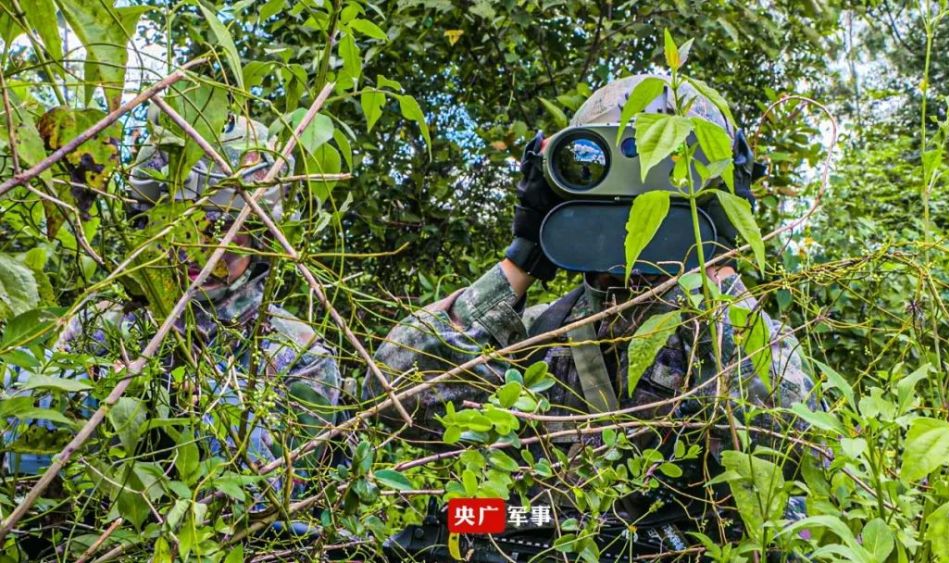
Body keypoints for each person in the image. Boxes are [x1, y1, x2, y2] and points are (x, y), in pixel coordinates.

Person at [366, 75, 818, 560]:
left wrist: (717, 267)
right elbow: (389, 400)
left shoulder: (734, 341)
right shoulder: (541, 334)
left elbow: (801, 453)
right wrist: (523, 257)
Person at [1, 115, 345, 558]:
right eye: (177, 222)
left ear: (258, 236)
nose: (196, 248)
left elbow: (271, 497)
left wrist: (173, 400)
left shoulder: (297, 350)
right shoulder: (103, 321)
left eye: (220, 229)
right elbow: (24, 461)